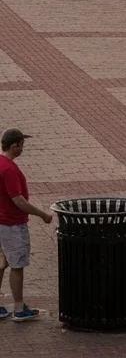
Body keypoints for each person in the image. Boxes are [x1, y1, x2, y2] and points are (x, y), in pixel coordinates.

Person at [0, 129, 53, 322]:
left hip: (0, 222)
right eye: (22, 144)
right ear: (15, 146)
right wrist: (42, 215)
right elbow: (18, 200)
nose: (23, 148)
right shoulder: (9, 170)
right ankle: (19, 308)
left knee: (1, 264)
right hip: (12, 225)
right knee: (17, 265)